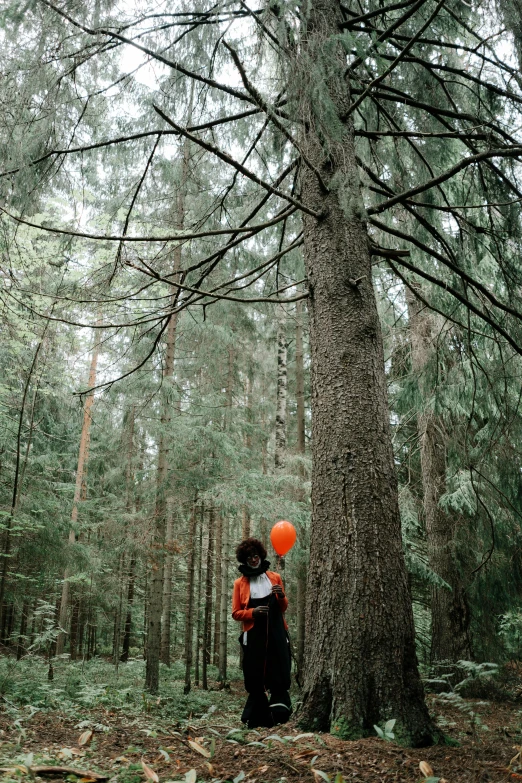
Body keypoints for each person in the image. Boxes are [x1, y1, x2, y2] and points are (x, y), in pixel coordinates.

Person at [232, 537, 292, 729]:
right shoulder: (239, 584)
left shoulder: (274, 577)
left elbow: (283, 607)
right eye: (249, 557)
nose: (254, 559)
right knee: (255, 672)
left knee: (278, 668)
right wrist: (252, 613)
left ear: (261, 556)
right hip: (254, 634)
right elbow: (235, 613)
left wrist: (281, 595)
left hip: (276, 631)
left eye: (256, 555)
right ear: (245, 560)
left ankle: (280, 715)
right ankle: (258, 718)